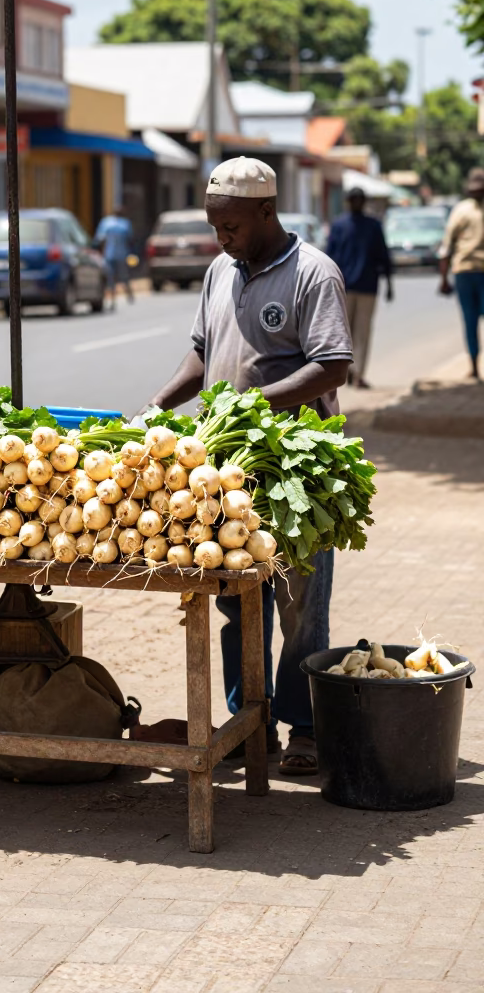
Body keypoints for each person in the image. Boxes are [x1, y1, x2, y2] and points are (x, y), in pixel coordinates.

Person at [142, 157, 352, 775]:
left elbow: (332, 364)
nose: (221, 238)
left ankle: (305, 728)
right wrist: (158, 404)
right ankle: (248, 722)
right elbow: (203, 353)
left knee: (300, 603)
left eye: (229, 226)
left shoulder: (314, 274)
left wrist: (250, 406)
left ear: (266, 212)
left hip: (292, 465)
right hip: (226, 468)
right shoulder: (219, 271)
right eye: (214, 227)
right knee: (237, 599)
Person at [325, 188, 393, 388]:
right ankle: (346, 372)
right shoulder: (339, 226)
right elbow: (329, 259)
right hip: (344, 287)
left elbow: (383, 255)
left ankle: (358, 374)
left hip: (366, 286)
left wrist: (389, 284)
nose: (356, 203)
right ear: (348, 201)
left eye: (358, 199)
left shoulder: (372, 226)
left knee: (361, 332)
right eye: (353, 199)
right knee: (343, 333)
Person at [438, 167, 484, 379]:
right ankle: (474, 366)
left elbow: (446, 248)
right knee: (470, 321)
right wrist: (444, 278)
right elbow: (447, 247)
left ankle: (474, 367)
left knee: (470, 320)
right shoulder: (461, 210)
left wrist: (444, 278)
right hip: (465, 272)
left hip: (470, 272)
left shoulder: (460, 210)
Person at [94, 206, 134, 309]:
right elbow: (130, 239)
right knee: (121, 276)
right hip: (120, 254)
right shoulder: (125, 224)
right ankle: (126, 295)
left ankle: (114, 299)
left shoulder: (106, 223)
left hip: (110, 254)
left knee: (112, 278)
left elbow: (99, 239)